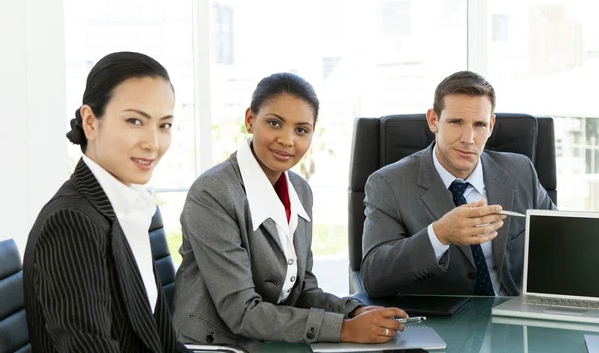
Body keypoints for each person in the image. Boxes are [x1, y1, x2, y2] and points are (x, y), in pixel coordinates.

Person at [172, 73, 407, 352]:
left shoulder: (299, 190)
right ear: (250, 120)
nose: (287, 140)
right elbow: (241, 312)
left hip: (269, 339)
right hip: (218, 344)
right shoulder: (213, 193)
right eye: (274, 123)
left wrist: (353, 312)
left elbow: (304, 290)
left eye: (301, 130)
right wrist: (343, 329)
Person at [23, 52, 188, 352]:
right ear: (90, 121)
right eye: (135, 121)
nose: (153, 142)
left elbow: (163, 342)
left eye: (164, 125)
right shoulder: (71, 223)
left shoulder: (130, 209)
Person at [361, 70, 556, 298]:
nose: (468, 138)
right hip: (441, 324)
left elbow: (558, 243)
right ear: (434, 120)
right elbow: (374, 276)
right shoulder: (388, 184)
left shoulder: (521, 171)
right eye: (456, 122)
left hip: (514, 318)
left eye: (479, 125)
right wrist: (439, 234)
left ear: (491, 125)